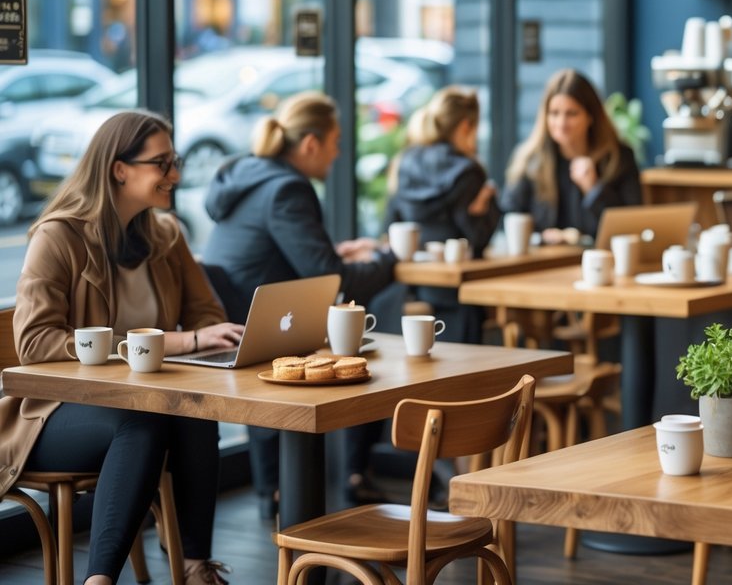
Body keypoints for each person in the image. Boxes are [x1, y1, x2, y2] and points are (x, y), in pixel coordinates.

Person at [0, 110, 244, 585]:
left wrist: (206, 335)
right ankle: (100, 580)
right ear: (119, 169)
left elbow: (207, 318)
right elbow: (34, 342)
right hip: (53, 415)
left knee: (192, 411)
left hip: (138, 406)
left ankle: (195, 566)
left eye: (176, 162)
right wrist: (174, 342)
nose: (175, 175)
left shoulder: (167, 236)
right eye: (163, 163)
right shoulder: (59, 237)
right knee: (142, 418)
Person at [202, 90, 398, 515]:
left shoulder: (251, 173)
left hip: (232, 313)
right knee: (365, 347)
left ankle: (276, 487)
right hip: (263, 325)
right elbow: (334, 280)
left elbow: (288, 254)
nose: (338, 152)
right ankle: (340, 481)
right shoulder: (288, 187)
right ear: (311, 144)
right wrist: (389, 257)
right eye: (335, 142)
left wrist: (339, 252)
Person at [384, 86, 500, 344]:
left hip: (408, 290)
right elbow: (477, 239)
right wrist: (485, 207)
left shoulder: (405, 161)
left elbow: (390, 225)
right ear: (465, 126)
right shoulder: (468, 171)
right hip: (458, 295)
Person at [501, 69, 642, 243]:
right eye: (554, 113)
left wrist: (593, 189)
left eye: (572, 113)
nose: (561, 123)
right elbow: (509, 216)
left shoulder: (619, 158)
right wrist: (540, 238)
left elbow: (630, 226)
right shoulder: (530, 160)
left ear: (591, 116)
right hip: (544, 263)